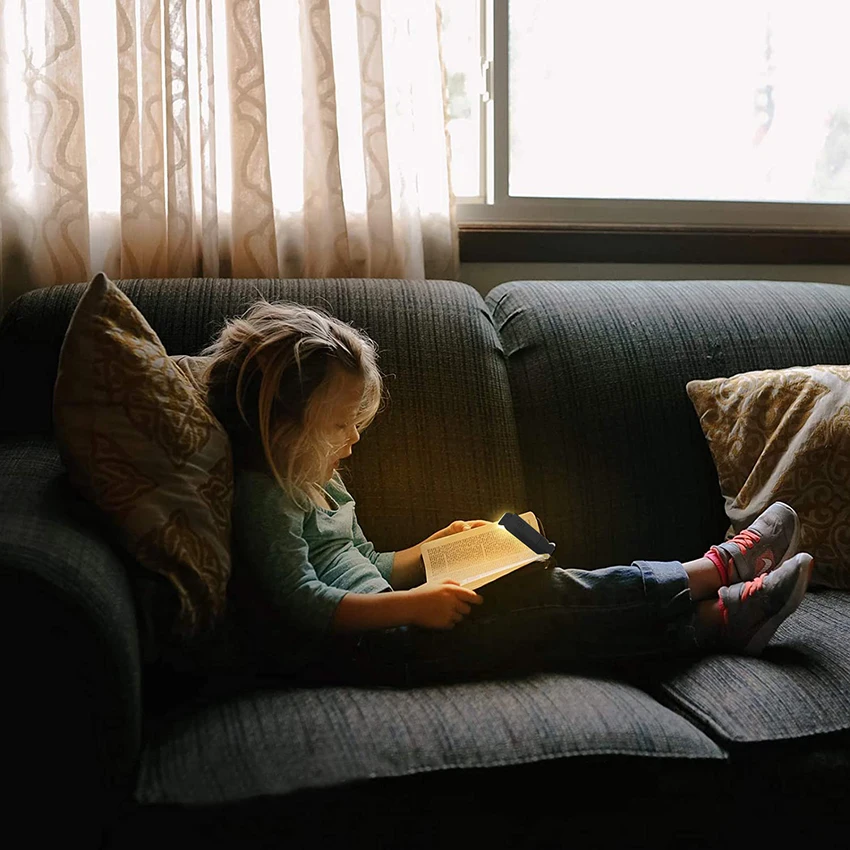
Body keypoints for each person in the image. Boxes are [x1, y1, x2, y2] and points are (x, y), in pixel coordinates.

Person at [198, 298, 814, 689]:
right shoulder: (266, 497)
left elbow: (367, 564)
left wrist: (428, 552)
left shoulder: (317, 478)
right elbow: (303, 601)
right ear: (279, 423)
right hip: (376, 653)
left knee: (547, 606)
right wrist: (414, 605)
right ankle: (714, 571)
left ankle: (716, 618)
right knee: (546, 600)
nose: (354, 441)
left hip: (394, 622)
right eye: (338, 426)